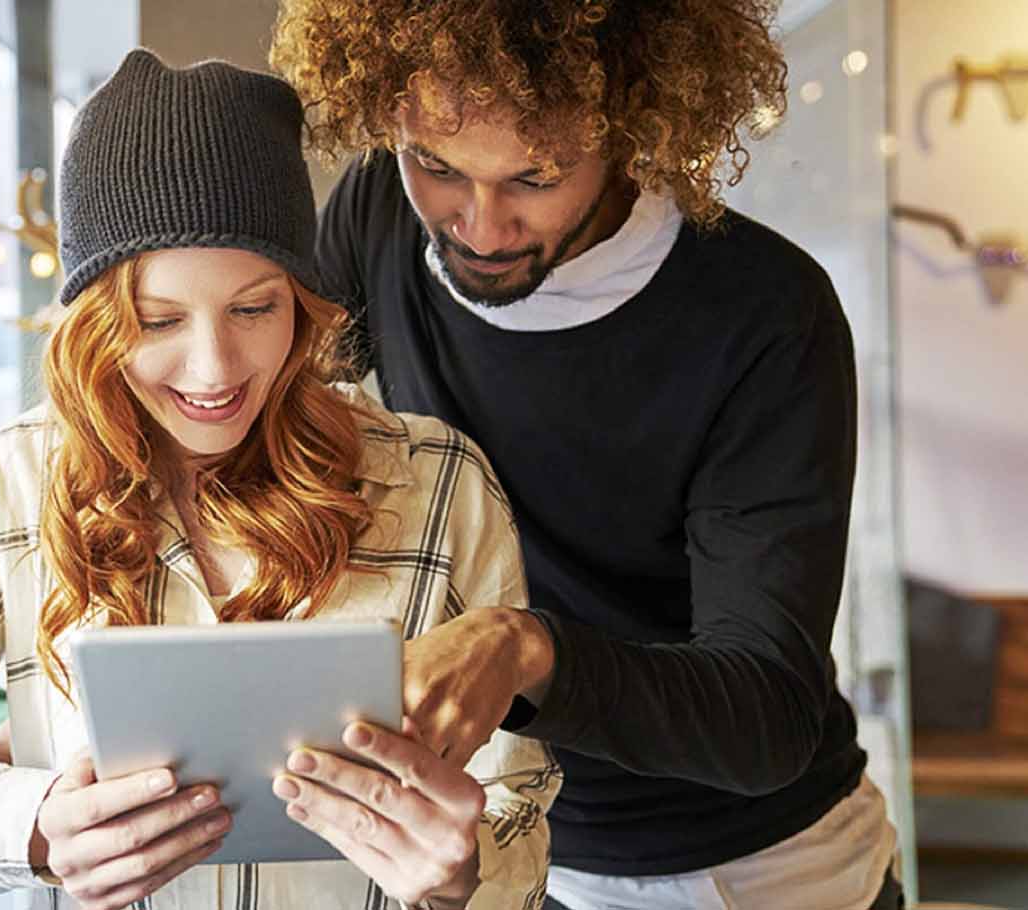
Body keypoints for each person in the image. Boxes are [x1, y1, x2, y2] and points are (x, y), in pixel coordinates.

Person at [0, 49, 559, 910]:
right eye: (158, 320)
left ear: (304, 307)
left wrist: (463, 881)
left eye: (254, 307)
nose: (213, 368)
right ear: (95, 328)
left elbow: (518, 818)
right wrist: (36, 824)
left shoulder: (439, 484)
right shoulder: (18, 477)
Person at [270, 2, 902, 909]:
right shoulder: (379, 212)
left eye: (538, 175)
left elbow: (768, 717)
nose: (480, 227)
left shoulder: (764, 313)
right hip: (508, 840)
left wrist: (522, 650)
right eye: (436, 165)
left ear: (635, 131)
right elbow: (280, 416)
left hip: (746, 867)